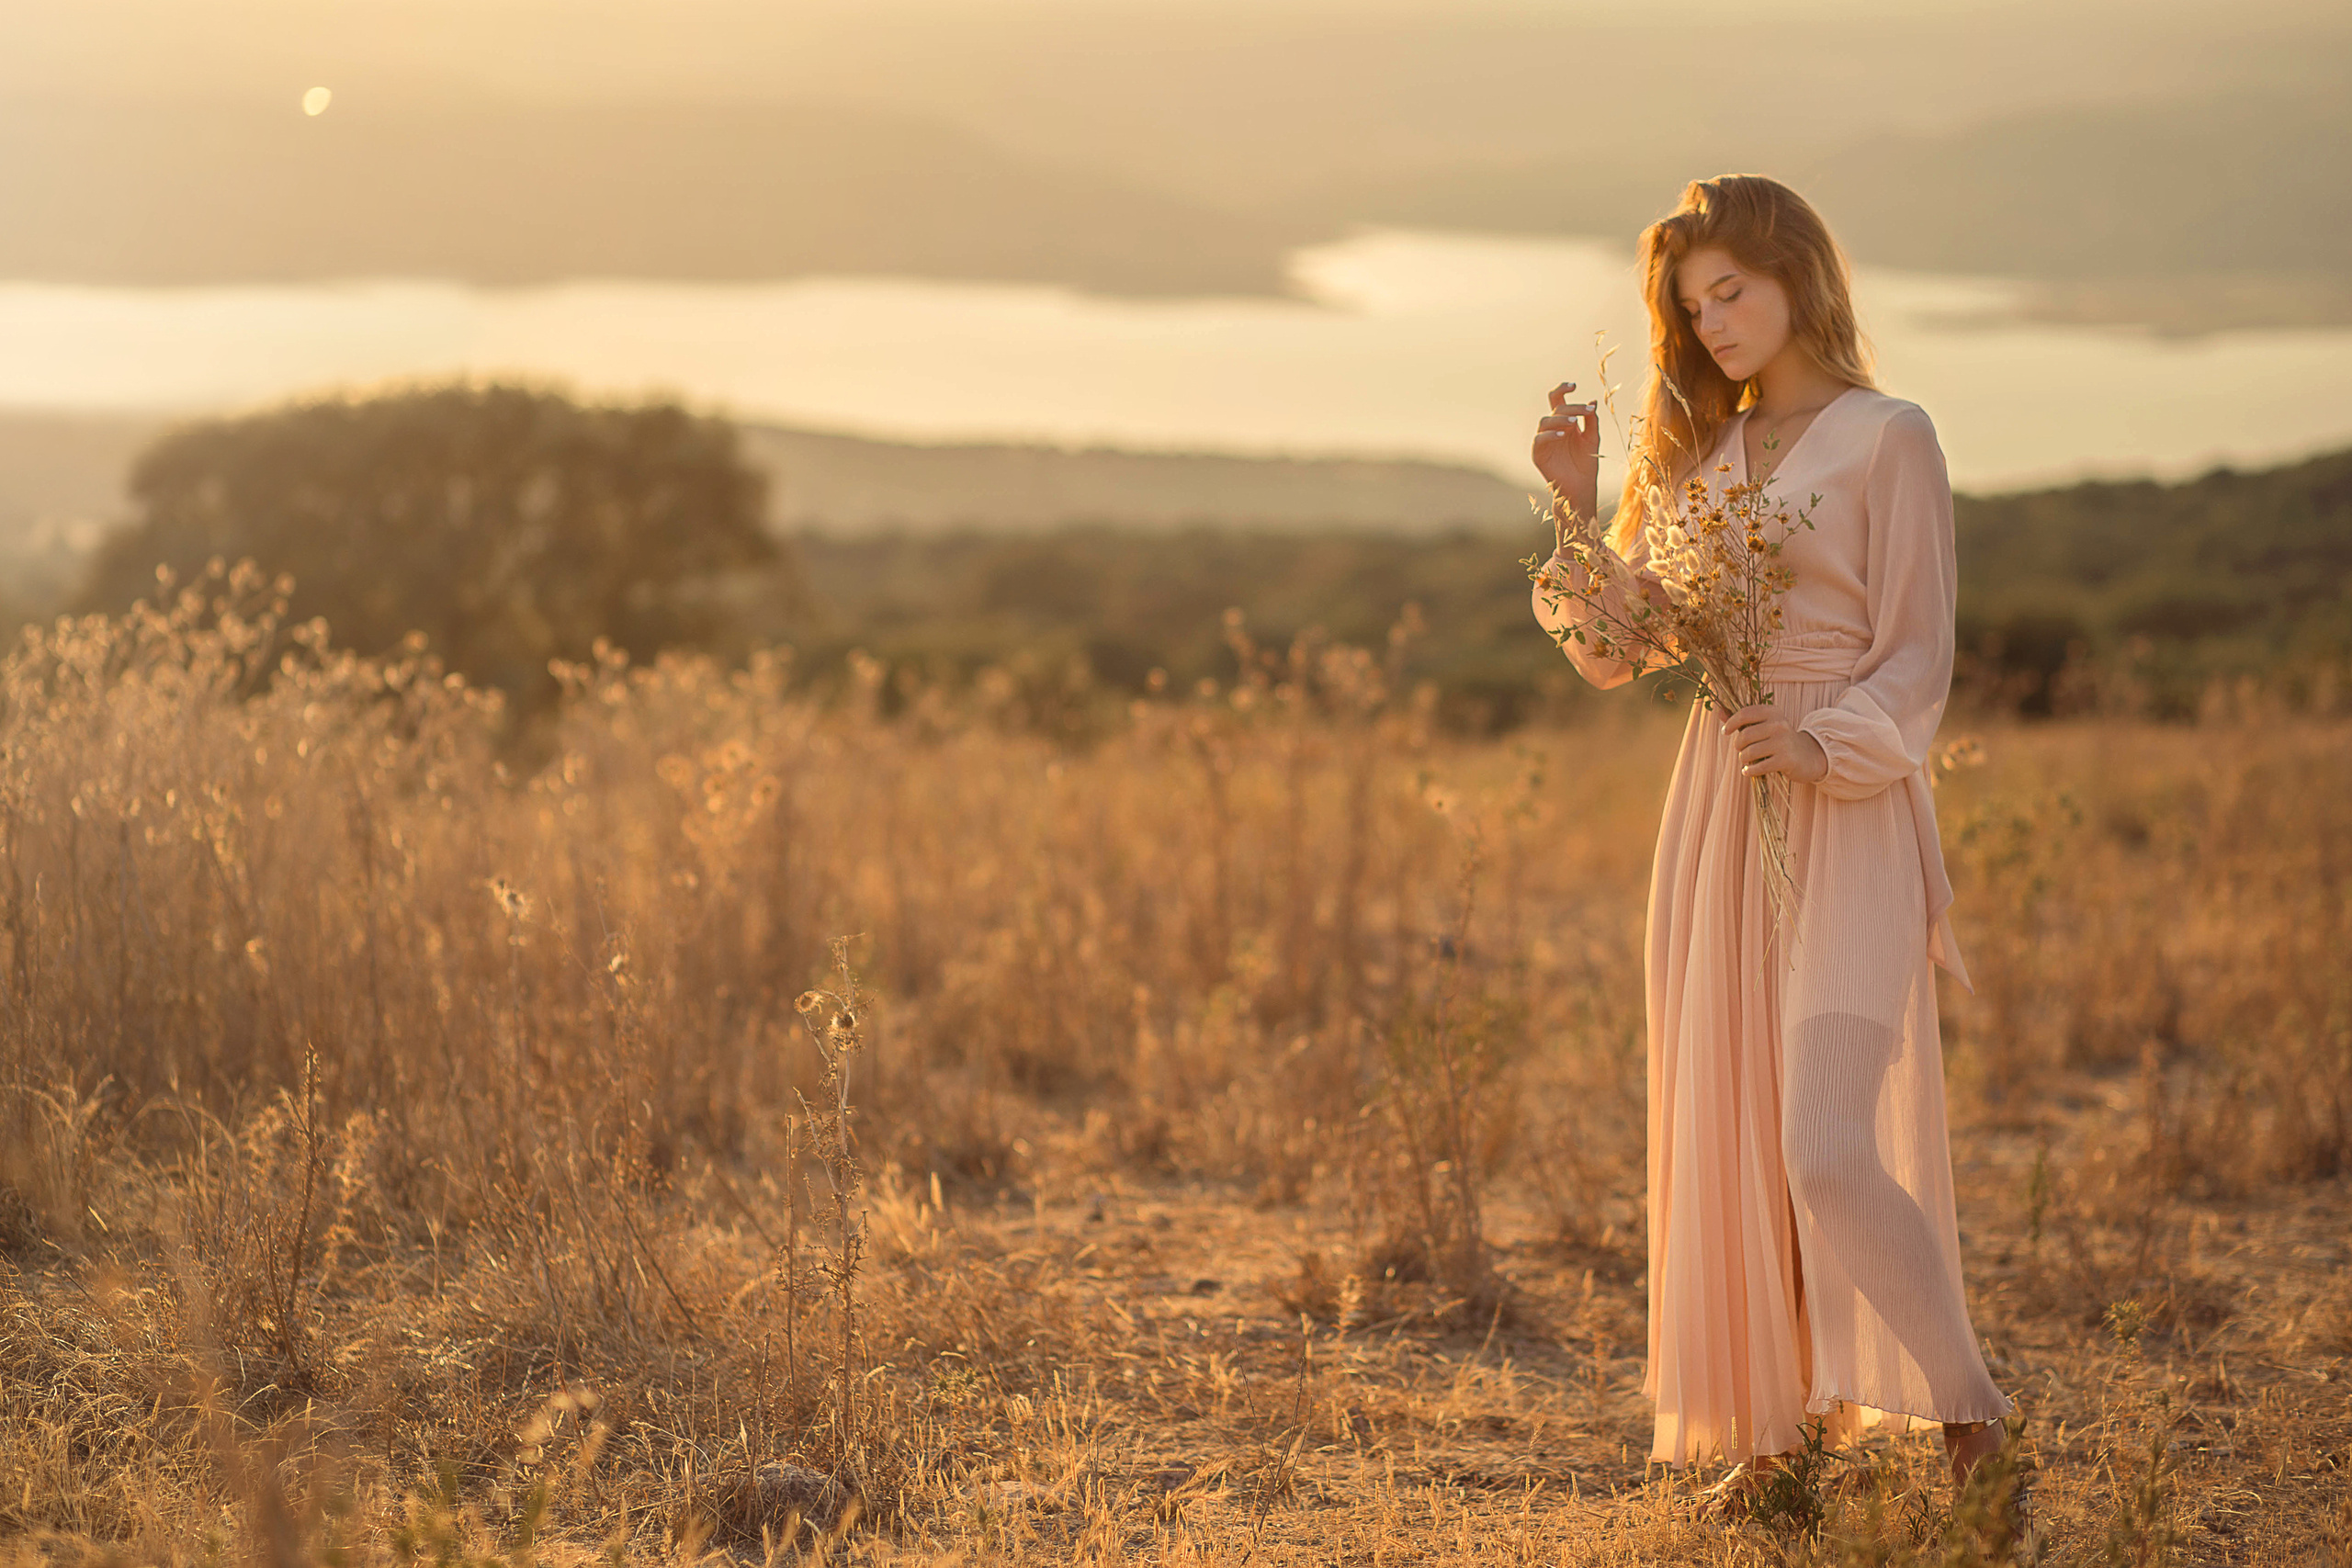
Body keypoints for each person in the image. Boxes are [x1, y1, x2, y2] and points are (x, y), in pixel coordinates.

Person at [1528, 175, 2014, 1498]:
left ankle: (1972, 1419)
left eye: (1732, 288)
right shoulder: (1701, 456)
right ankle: (1784, 1434)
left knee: (1822, 1142)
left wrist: (1825, 742)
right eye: (1693, 306)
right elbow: (1624, 650)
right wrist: (1578, 508)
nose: (1716, 320)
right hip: (1722, 809)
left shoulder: (1888, 436)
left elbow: (1918, 658)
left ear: (1798, 270)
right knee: (1737, 1135)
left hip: (1848, 803)